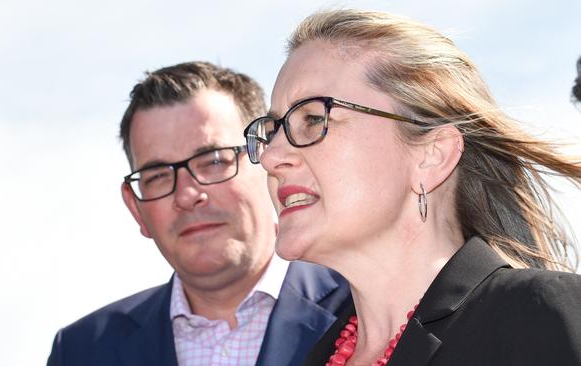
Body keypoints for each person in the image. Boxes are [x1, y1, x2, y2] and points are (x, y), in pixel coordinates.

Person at [244, 10, 581, 366]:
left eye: (313, 119)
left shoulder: (541, 317)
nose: (271, 156)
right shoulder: (316, 356)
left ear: (432, 156)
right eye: (273, 130)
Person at [47, 61, 350, 366]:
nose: (188, 195)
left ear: (267, 160)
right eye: (158, 175)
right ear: (136, 208)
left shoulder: (366, 309)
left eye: (214, 160)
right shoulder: (81, 352)